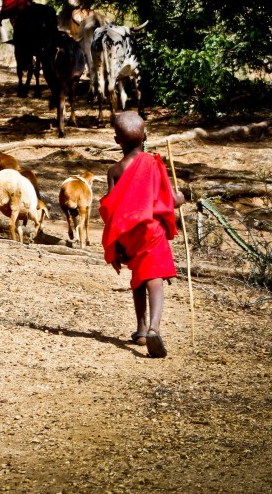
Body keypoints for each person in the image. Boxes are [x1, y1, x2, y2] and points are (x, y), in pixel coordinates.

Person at [99, 111, 184, 358]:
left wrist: (117, 241)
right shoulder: (153, 162)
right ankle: (154, 328)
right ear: (145, 136)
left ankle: (140, 328)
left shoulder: (114, 171)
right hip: (151, 231)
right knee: (153, 277)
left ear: (117, 140)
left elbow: (110, 209)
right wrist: (180, 199)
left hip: (128, 234)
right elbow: (166, 198)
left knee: (138, 278)